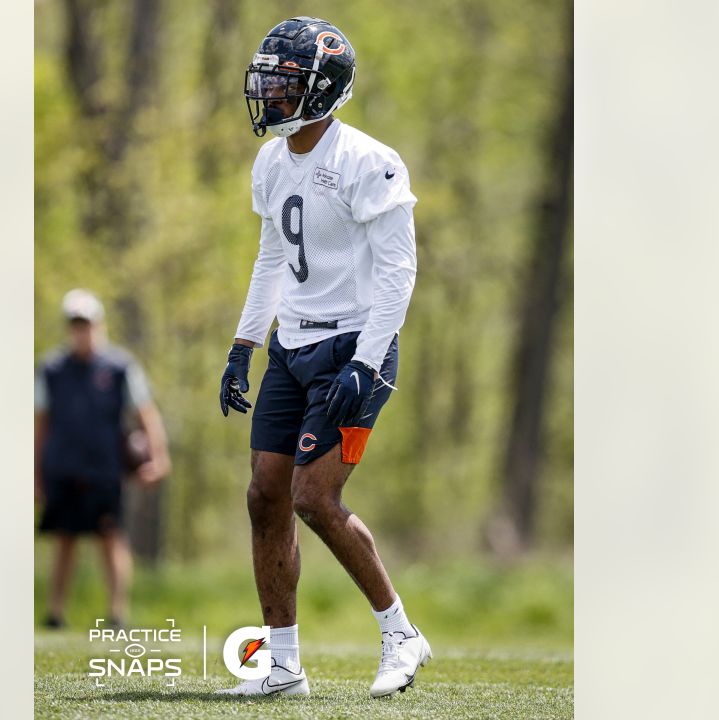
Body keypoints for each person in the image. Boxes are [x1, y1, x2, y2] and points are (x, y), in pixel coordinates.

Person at [216, 17, 430, 699]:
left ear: (323, 88)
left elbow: (399, 273)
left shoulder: (369, 161)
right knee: (264, 494)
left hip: (355, 344)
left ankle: (402, 634)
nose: (271, 92)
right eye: (269, 79)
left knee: (315, 496)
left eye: (285, 81)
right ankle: (283, 667)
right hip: (293, 344)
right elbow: (272, 257)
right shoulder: (272, 161)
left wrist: (365, 363)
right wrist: (244, 344)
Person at [35, 289, 170, 629]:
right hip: (62, 466)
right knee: (64, 539)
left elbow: (147, 415)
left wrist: (159, 457)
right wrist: (34, 475)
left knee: (111, 539)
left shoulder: (120, 367)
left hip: (104, 469)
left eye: (87, 322)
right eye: (75, 323)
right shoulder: (51, 369)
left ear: (99, 323)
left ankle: (117, 614)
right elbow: (41, 424)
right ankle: (55, 613)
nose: (82, 330)